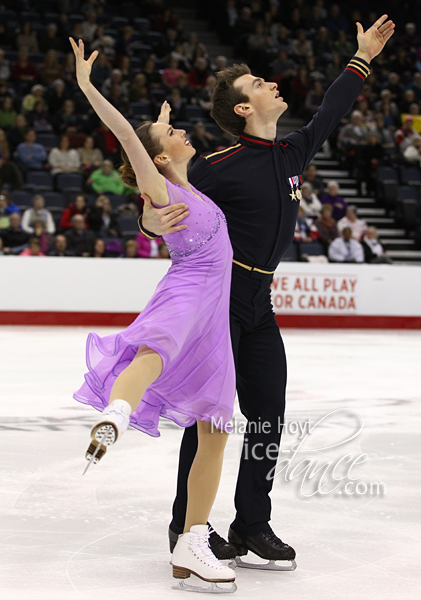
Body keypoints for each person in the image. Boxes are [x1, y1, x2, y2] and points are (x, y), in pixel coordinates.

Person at [140, 14, 395, 566]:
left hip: (260, 304)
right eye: (258, 84)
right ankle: (189, 526)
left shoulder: (290, 154)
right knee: (211, 414)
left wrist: (364, 56)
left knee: (268, 416)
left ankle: (253, 522)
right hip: (219, 302)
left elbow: (331, 110)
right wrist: (149, 224)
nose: (271, 84)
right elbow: (163, 198)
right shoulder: (215, 167)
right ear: (242, 108)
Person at [70, 38, 236, 591]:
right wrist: (89, 87)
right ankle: (117, 411)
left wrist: (159, 121)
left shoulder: (190, 186)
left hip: (215, 315)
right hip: (188, 289)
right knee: (152, 349)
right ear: (159, 158)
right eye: (172, 134)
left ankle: (193, 542)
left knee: (216, 428)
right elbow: (126, 137)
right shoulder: (160, 188)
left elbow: (148, 136)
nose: (183, 131)